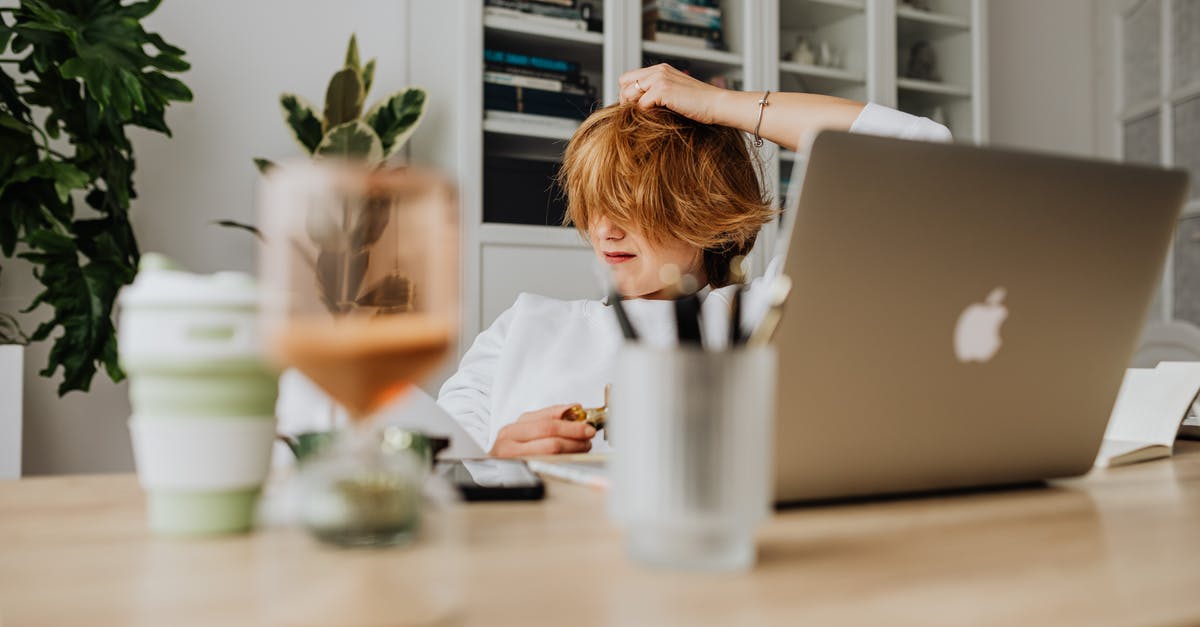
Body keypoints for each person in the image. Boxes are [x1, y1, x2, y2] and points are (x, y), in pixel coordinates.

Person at [436, 64, 952, 457]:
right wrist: (496, 462)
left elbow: (918, 153)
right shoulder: (521, 328)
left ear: (705, 212)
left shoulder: (763, 317)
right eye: (594, 206)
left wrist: (718, 103)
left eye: (631, 207)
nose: (603, 230)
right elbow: (430, 471)